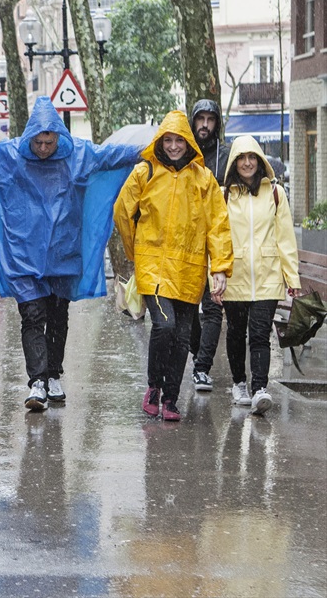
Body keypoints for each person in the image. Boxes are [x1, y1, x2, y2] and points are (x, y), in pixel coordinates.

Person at [0, 96, 141, 411]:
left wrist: (143, 152)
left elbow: (108, 156)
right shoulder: (9, 155)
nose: (43, 147)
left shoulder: (77, 155)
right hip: (23, 254)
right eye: (38, 141)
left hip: (63, 252)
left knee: (57, 316)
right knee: (32, 315)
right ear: (30, 137)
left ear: (58, 136)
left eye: (48, 141)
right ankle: (37, 381)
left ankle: (54, 374)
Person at [113, 111, 233, 422]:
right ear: (160, 141)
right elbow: (123, 212)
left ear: (189, 141)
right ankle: (154, 387)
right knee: (164, 326)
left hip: (190, 269)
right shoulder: (145, 172)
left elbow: (218, 225)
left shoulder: (204, 179)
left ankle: (171, 398)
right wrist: (135, 251)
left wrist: (219, 267)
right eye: (168, 139)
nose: (174, 145)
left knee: (182, 336)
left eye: (180, 139)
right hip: (153, 267)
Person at [222, 135, 301, 415]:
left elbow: (285, 238)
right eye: (241, 158)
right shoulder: (225, 195)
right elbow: (217, 239)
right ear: (234, 162)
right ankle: (239, 383)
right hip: (235, 277)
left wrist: (292, 278)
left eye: (252, 157)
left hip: (267, 276)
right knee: (235, 333)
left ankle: (259, 389)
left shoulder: (275, 193)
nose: (247, 163)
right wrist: (215, 276)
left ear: (260, 160)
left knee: (259, 333)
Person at [187, 99, 231, 392]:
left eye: (210, 119)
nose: (205, 125)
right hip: (187, 244)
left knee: (213, 307)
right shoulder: (183, 152)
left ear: (217, 123)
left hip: (216, 241)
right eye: (200, 119)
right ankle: (196, 352)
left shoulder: (227, 155)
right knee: (188, 308)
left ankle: (202, 367)